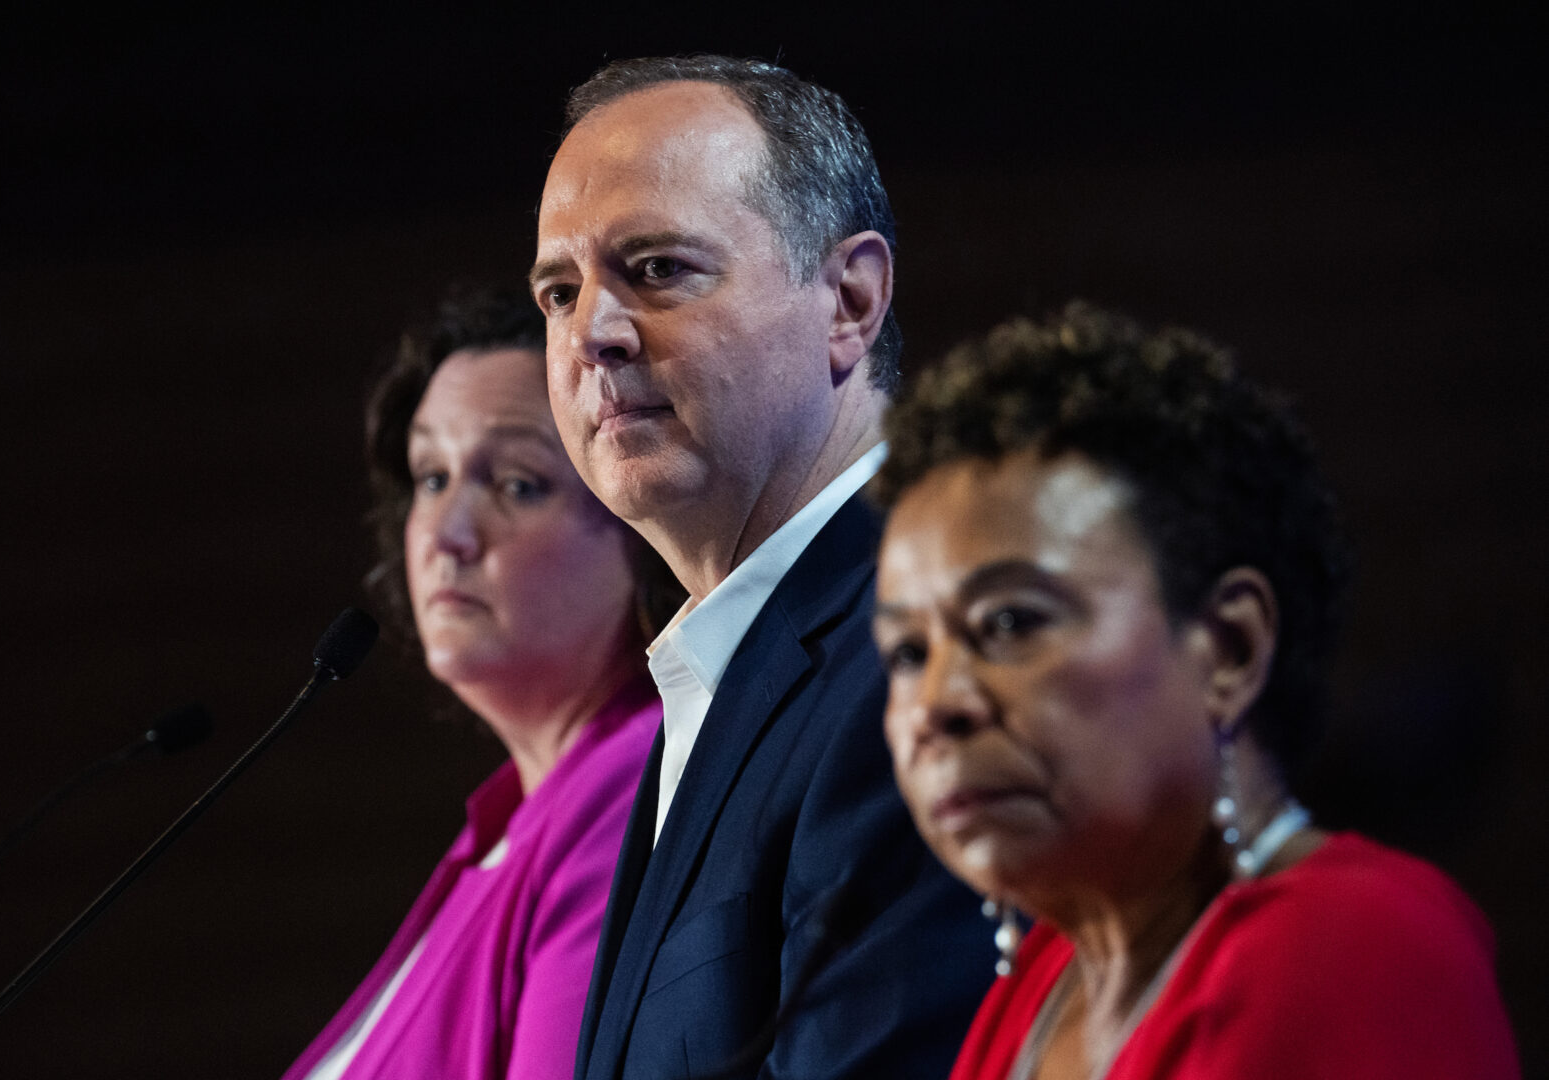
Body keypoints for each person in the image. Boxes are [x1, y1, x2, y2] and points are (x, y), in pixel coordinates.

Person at [872, 303, 1521, 1079]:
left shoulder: (1352, 943)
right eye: (908, 650)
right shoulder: (1041, 983)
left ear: (1230, 649)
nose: (938, 703)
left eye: (1010, 621)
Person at [530, 55, 991, 1080]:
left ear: (849, 300)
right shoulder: (728, 663)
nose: (590, 335)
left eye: (656, 270)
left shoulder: (916, 653)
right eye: (559, 292)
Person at [281, 285, 681, 1080]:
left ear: (637, 527)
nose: (446, 534)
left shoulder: (624, 793)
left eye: (516, 485)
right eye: (430, 476)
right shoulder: (505, 825)